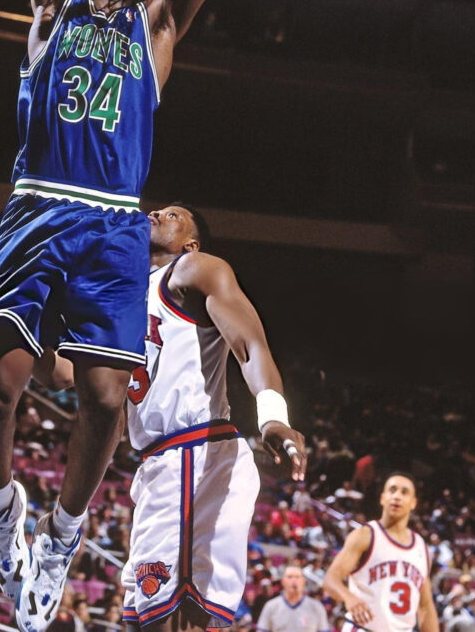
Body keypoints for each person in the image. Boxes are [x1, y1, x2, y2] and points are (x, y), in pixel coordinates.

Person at [0, 0, 232, 632]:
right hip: (38, 202)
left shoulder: (155, 29)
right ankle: (2, 513)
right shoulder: (49, 8)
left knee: (106, 401)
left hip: (114, 226)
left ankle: (62, 536)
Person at [119, 203, 305, 631]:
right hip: (160, 464)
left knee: (167, 620)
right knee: (165, 620)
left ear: (191, 242)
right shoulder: (120, 295)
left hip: (195, 452)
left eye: (172, 215)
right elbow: (61, 373)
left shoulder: (191, 270)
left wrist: (272, 416)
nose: (155, 214)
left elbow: (250, 344)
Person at [322, 474, 439, 632]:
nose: (397, 496)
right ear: (383, 498)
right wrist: (348, 597)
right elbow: (330, 579)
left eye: (404, 492)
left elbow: (425, 607)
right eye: (392, 490)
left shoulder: (422, 548)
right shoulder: (365, 535)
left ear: (413, 503)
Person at [257, 566, 329, 632]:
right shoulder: (271, 606)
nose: (294, 581)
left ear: (303, 581)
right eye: (290, 577)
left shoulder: (316, 607)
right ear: (283, 581)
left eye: (297, 577)